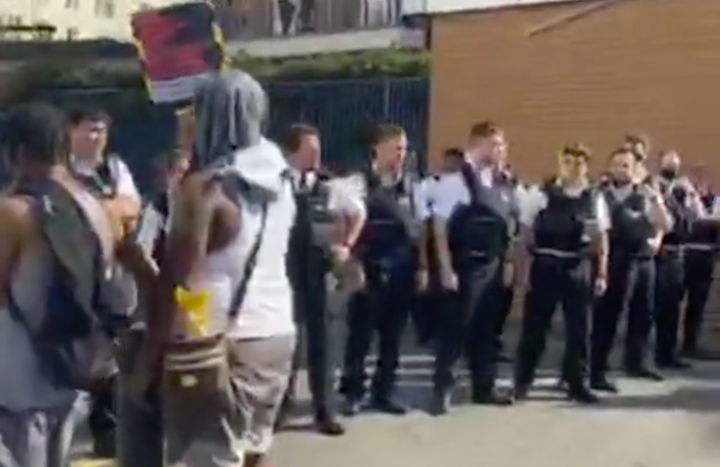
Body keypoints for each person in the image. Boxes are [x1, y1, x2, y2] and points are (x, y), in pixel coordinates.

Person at [136, 71, 296, 467]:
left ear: (213, 116)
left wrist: (149, 361)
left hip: (221, 342)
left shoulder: (207, 189)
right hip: (276, 334)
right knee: (252, 449)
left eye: (197, 109)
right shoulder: (280, 179)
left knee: (205, 456)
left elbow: (179, 283)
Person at [0, 103, 130, 467]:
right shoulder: (98, 208)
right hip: (75, 369)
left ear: (18, 152)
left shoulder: (15, 212)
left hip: (16, 380)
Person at [279, 123, 365, 436]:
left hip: (321, 269)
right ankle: (280, 409)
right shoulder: (279, 181)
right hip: (285, 269)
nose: (316, 155)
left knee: (323, 343)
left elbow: (358, 213)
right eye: (309, 149)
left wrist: (346, 245)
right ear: (293, 151)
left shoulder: (331, 184)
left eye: (318, 149)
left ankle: (324, 411)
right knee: (286, 342)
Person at [430, 121, 522, 414]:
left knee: (487, 330)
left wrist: (507, 261)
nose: (501, 150)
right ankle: (443, 389)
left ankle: (484, 387)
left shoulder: (503, 181)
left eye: (502, 145)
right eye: (496, 145)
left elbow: (510, 226)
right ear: (478, 145)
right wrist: (446, 267)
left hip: (493, 264)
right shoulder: (456, 181)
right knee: (456, 329)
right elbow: (440, 226)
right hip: (465, 265)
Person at [66, 107, 142, 457]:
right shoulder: (61, 172)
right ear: (71, 132)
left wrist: (101, 213)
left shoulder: (115, 168)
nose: (96, 138)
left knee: (113, 364)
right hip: (74, 283)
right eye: (89, 130)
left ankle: (107, 437)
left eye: (101, 131)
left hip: (115, 282)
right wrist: (110, 213)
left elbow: (131, 207)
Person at [339, 123, 426, 416]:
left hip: (401, 269)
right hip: (368, 268)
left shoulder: (412, 185)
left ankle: (383, 393)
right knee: (360, 337)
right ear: (377, 148)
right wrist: (352, 266)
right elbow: (344, 227)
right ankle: (352, 393)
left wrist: (422, 267)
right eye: (395, 148)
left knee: (393, 337)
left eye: (403, 149)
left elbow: (420, 229)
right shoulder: (358, 183)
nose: (400, 154)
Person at [513, 144, 608, 404]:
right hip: (545, 266)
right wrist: (521, 274)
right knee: (534, 329)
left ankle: (576, 383)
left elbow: (601, 238)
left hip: (577, 268)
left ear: (586, 167)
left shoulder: (593, 198)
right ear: (560, 163)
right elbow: (525, 235)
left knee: (579, 331)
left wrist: (601, 274)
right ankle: (522, 382)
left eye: (578, 163)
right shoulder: (540, 194)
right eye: (567, 161)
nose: (573, 167)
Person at [590, 146, 673, 393]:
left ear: (635, 169)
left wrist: (657, 200)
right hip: (615, 260)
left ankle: (636, 362)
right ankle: (597, 370)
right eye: (616, 164)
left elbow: (665, 224)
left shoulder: (644, 194)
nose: (620, 170)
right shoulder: (601, 194)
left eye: (626, 165)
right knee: (608, 316)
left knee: (643, 314)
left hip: (644, 262)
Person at [653, 151, 705, 369]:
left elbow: (698, 215)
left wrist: (692, 195)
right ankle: (650, 354)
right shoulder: (656, 185)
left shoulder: (684, 188)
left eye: (676, 163)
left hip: (680, 252)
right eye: (669, 162)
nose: (673, 166)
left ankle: (668, 354)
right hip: (662, 250)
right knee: (656, 306)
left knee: (673, 307)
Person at [681, 166, 720, 358]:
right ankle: (670, 345)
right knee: (673, 303)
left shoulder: (716, 201)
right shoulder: (683, 201)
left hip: (705, 258)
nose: (698, 184)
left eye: (702, 180)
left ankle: (690, 344)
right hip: (684, 256)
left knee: (697, 304)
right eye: (694, 180)